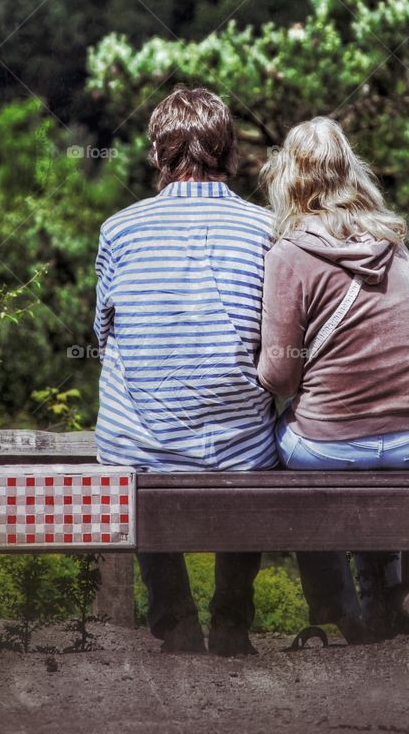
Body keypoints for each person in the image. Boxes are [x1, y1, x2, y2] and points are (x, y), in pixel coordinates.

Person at [93, 85, 276, 655]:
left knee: (130, 432)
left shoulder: (119, 231)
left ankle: (173, 616)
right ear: (229, 152)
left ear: (157, 154)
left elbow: (103, 336)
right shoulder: (268, 230)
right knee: (255, 437)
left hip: (141, 450)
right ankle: (231, 619)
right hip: (240, 451)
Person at [257, 116, 409, 641]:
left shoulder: (287, 256)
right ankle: (390, 592)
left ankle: (341, 609)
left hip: (329, 446)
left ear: (288, 180)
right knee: (376, 454)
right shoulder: (394, 242)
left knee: (278, 453)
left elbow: (277, 377)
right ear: (351, 171)